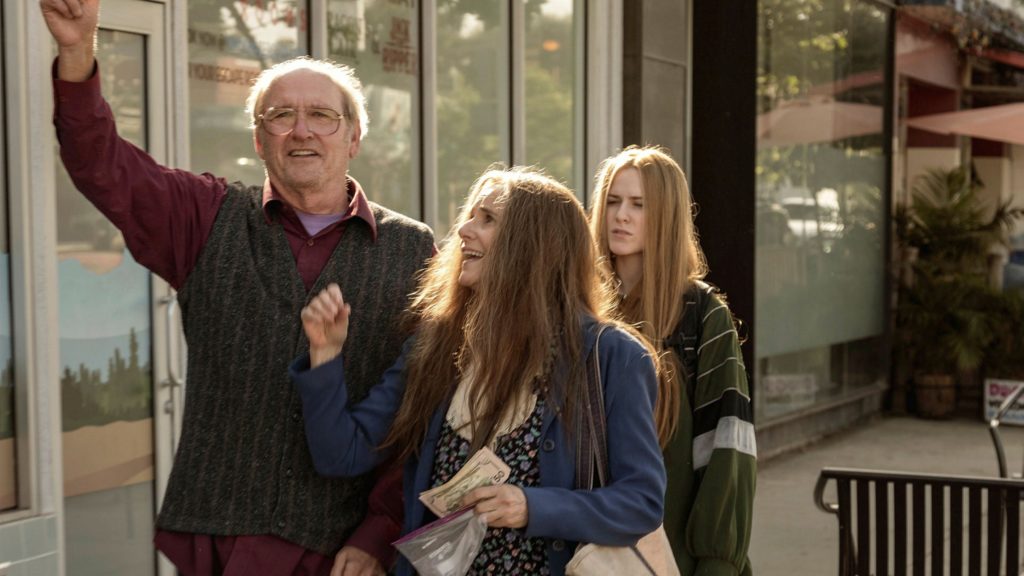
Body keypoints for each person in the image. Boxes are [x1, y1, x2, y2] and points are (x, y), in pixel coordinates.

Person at [41, 1, 434, 574]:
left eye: (322, 115)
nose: (301, 130)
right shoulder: (205, 216)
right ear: (258, 138)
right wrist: (78, 52)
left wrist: (380, 530)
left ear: (353, 138)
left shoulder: (414, 249)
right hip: (219, 542)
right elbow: (101, 165)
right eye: (280, 115)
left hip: (339, 552)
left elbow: (419, 410)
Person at [290, 167, 667, 576]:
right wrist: (324, 357)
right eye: (471, 215)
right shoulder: (435, 344)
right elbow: (341, 455)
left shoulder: (613, 356)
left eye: (487, 219)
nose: (464, 230)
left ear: (533, 245)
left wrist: (531, 507)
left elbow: (641, 502)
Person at [590, 145, 757, 576]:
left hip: (672, 554)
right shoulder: (582, 308)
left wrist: (716, 561)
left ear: (666, 215)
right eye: (612, 200)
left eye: (638, 205)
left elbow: (727, 450)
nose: (621, 215)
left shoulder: (702, 316)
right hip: (587, 548)